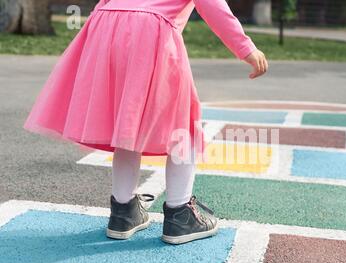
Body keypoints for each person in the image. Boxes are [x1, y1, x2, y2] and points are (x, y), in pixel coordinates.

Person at [23, 0, 268, 244]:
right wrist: (246, 49)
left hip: (107, 27)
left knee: (127, 122)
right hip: (149, 29)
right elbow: (214, 7)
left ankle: (123, 211)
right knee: (182, 125)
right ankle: (180, 213)